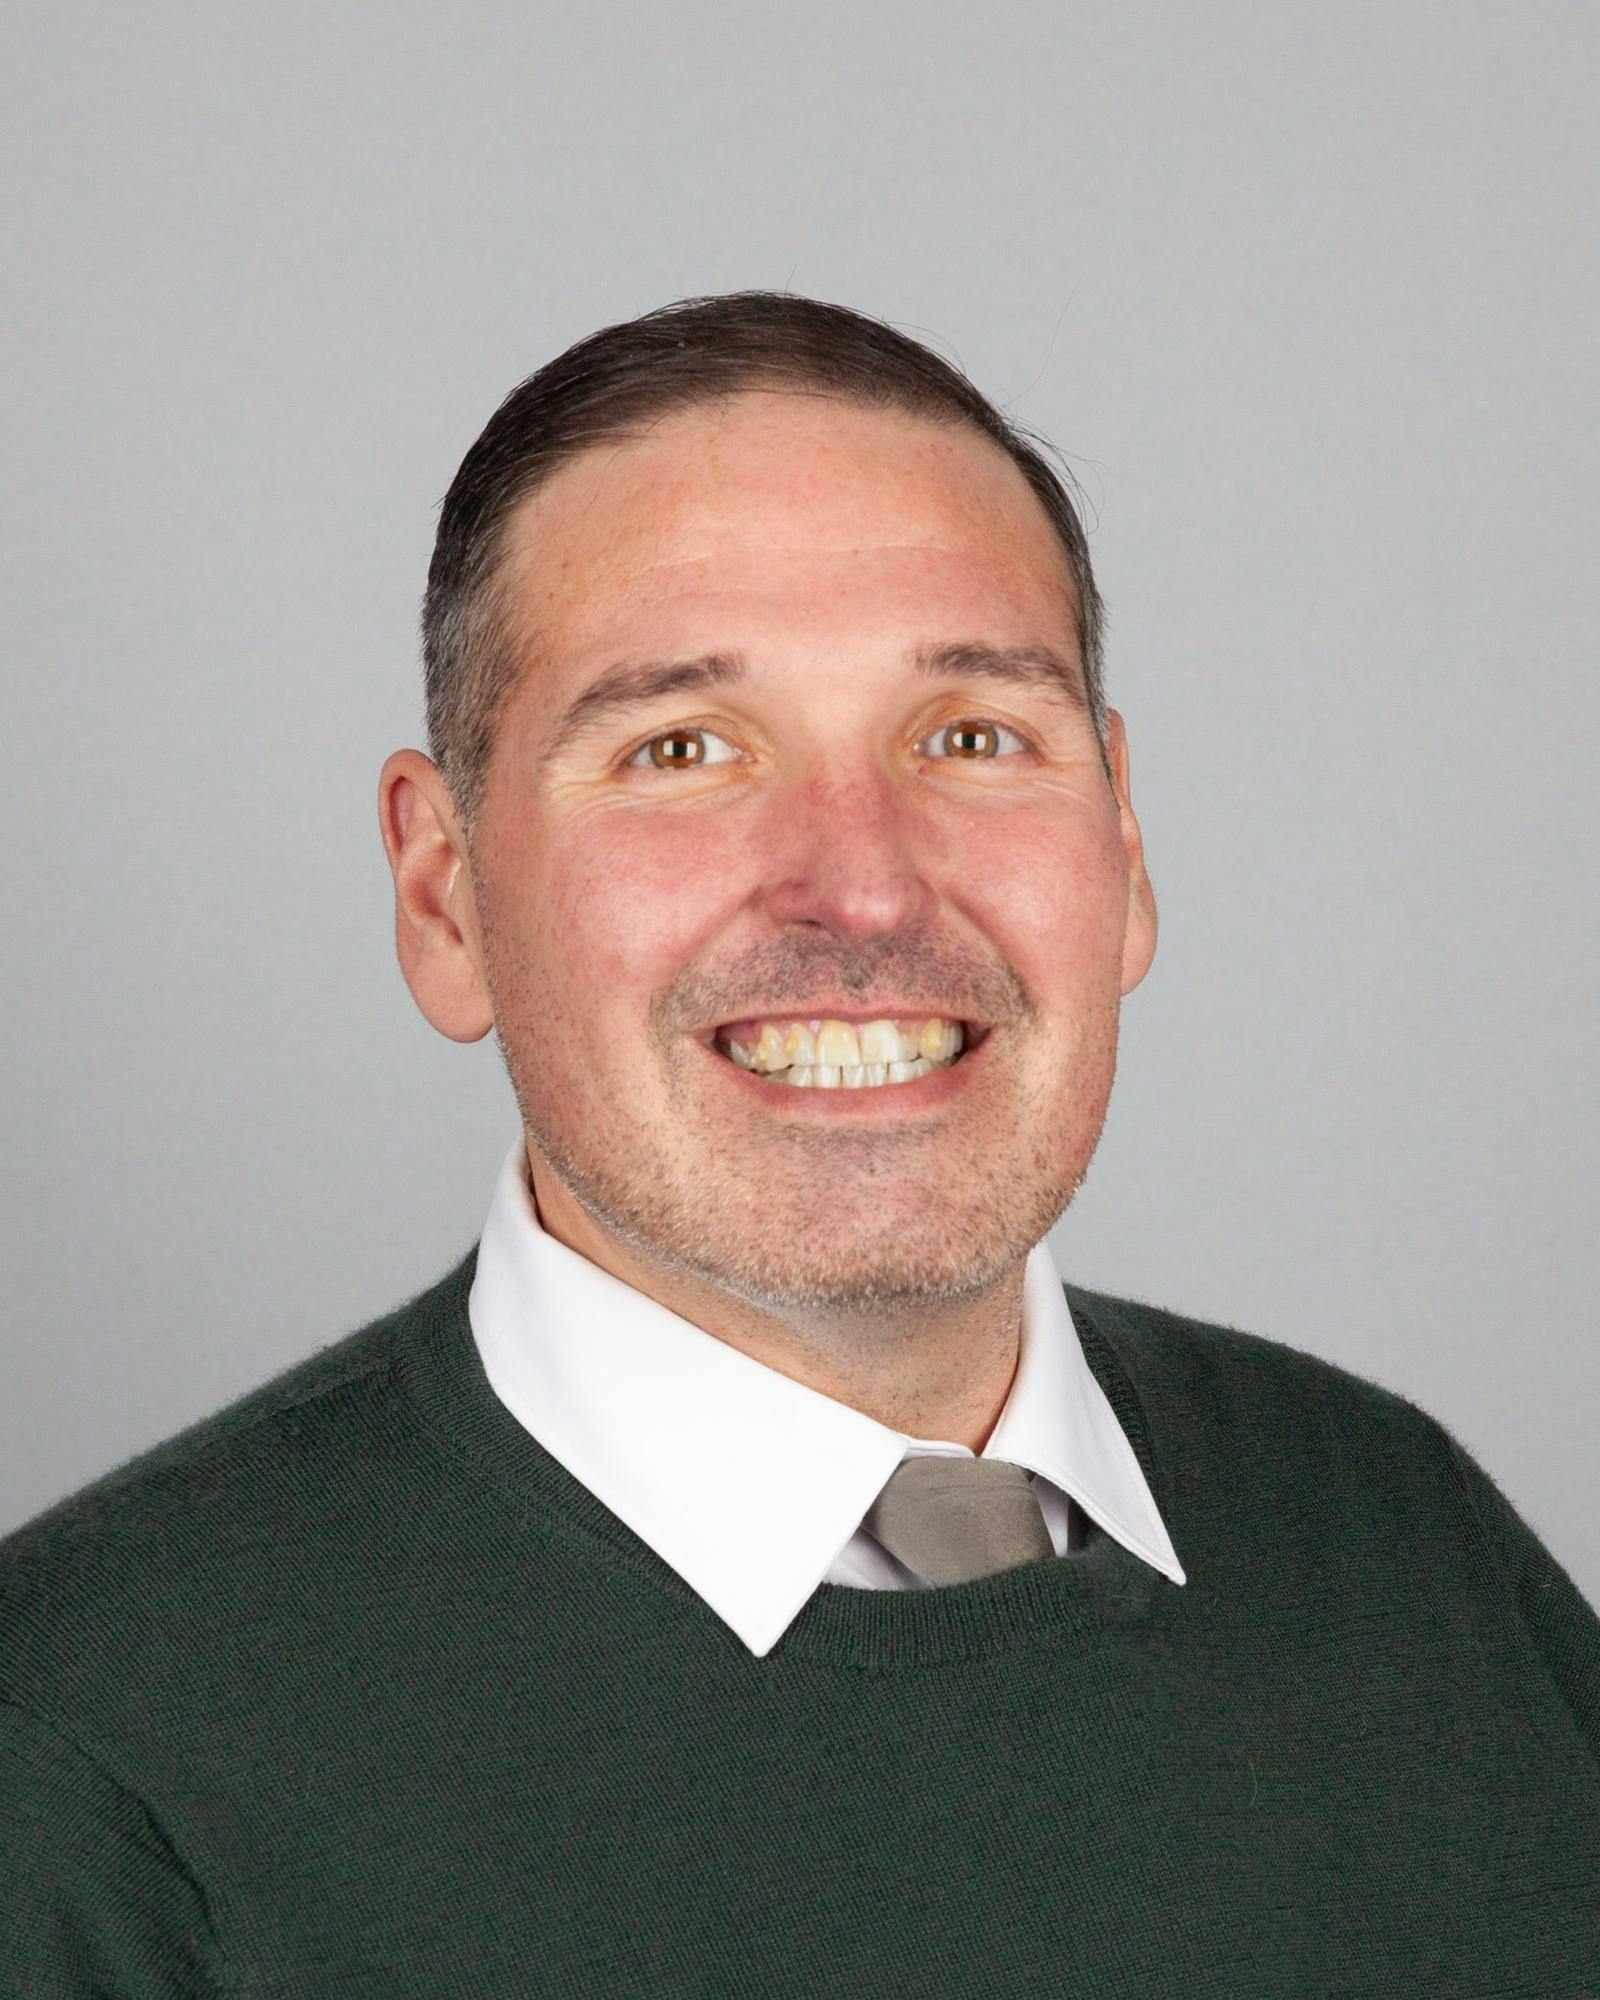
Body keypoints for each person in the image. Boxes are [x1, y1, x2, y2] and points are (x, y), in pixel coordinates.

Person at [2, 291, 1596, 1997]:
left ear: (1123, 849)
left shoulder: (1406, 1540)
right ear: (444, 893)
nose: (866, 883)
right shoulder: (87, 1765)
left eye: (973, 736)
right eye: (682, 749)